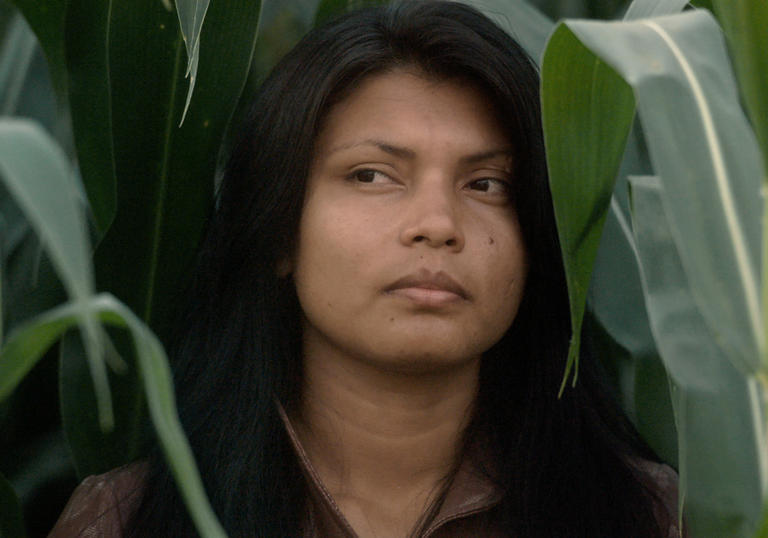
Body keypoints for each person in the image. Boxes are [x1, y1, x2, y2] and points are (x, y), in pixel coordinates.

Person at [49, 1, 682, 536]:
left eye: (487, 184)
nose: (437, 223)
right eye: (372, 175)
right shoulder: (125, 521)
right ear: (278, 232)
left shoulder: (651, 515)